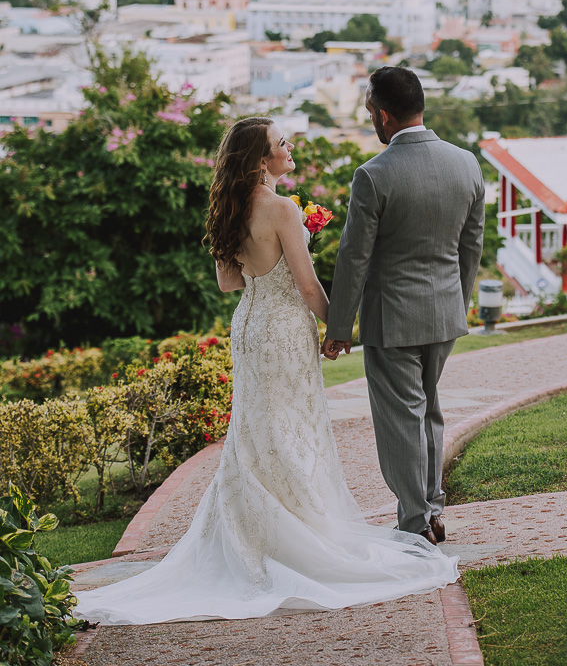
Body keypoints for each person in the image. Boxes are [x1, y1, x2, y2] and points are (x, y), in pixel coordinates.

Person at [73, 116, 458, 626]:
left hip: (249, 328)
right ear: (261, 160)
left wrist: (265, 266)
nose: (290, 145)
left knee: (256, 432)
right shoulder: (282, 210)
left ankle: (253, 533)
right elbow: (306, 285)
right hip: (284, 331)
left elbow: (229, 282)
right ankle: (299, 535)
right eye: (281, 143)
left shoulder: (231, 210)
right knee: (292, 428)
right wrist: (340, 328)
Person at [323, 67, 485, 545]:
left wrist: (339, 326)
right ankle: (430, 507)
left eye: (371, 110)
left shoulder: (374, 176)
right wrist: (457, 301)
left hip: (392, 318)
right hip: (444, 313)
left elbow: (354, 257)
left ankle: (416, 521)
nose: (371, 118)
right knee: (429, 410)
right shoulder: (467, 164)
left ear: (384, 114)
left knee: (401, 421)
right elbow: (470, 248)